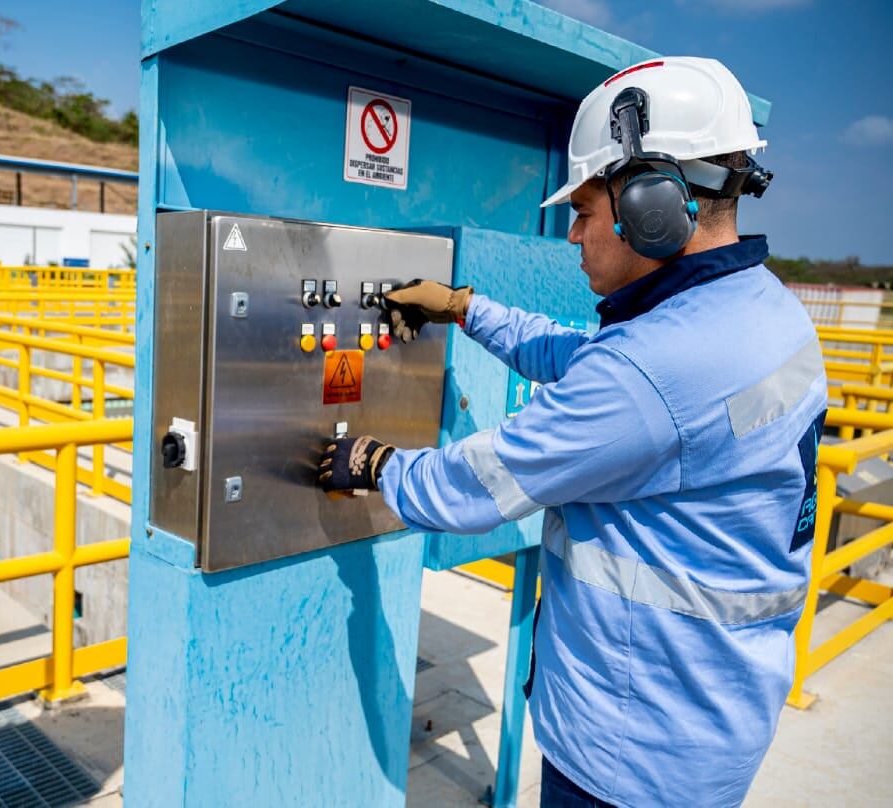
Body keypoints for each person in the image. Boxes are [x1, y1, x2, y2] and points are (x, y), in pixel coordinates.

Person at [318, 57, 826, 807]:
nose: (574, 236)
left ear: (653, 203)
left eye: (586, 212)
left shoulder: (655, 369)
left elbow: (473, 487)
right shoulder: (762, 315)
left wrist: (374, 461)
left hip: (628, 753)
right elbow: (587, 360)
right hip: (712, 719)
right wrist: (464, 307)